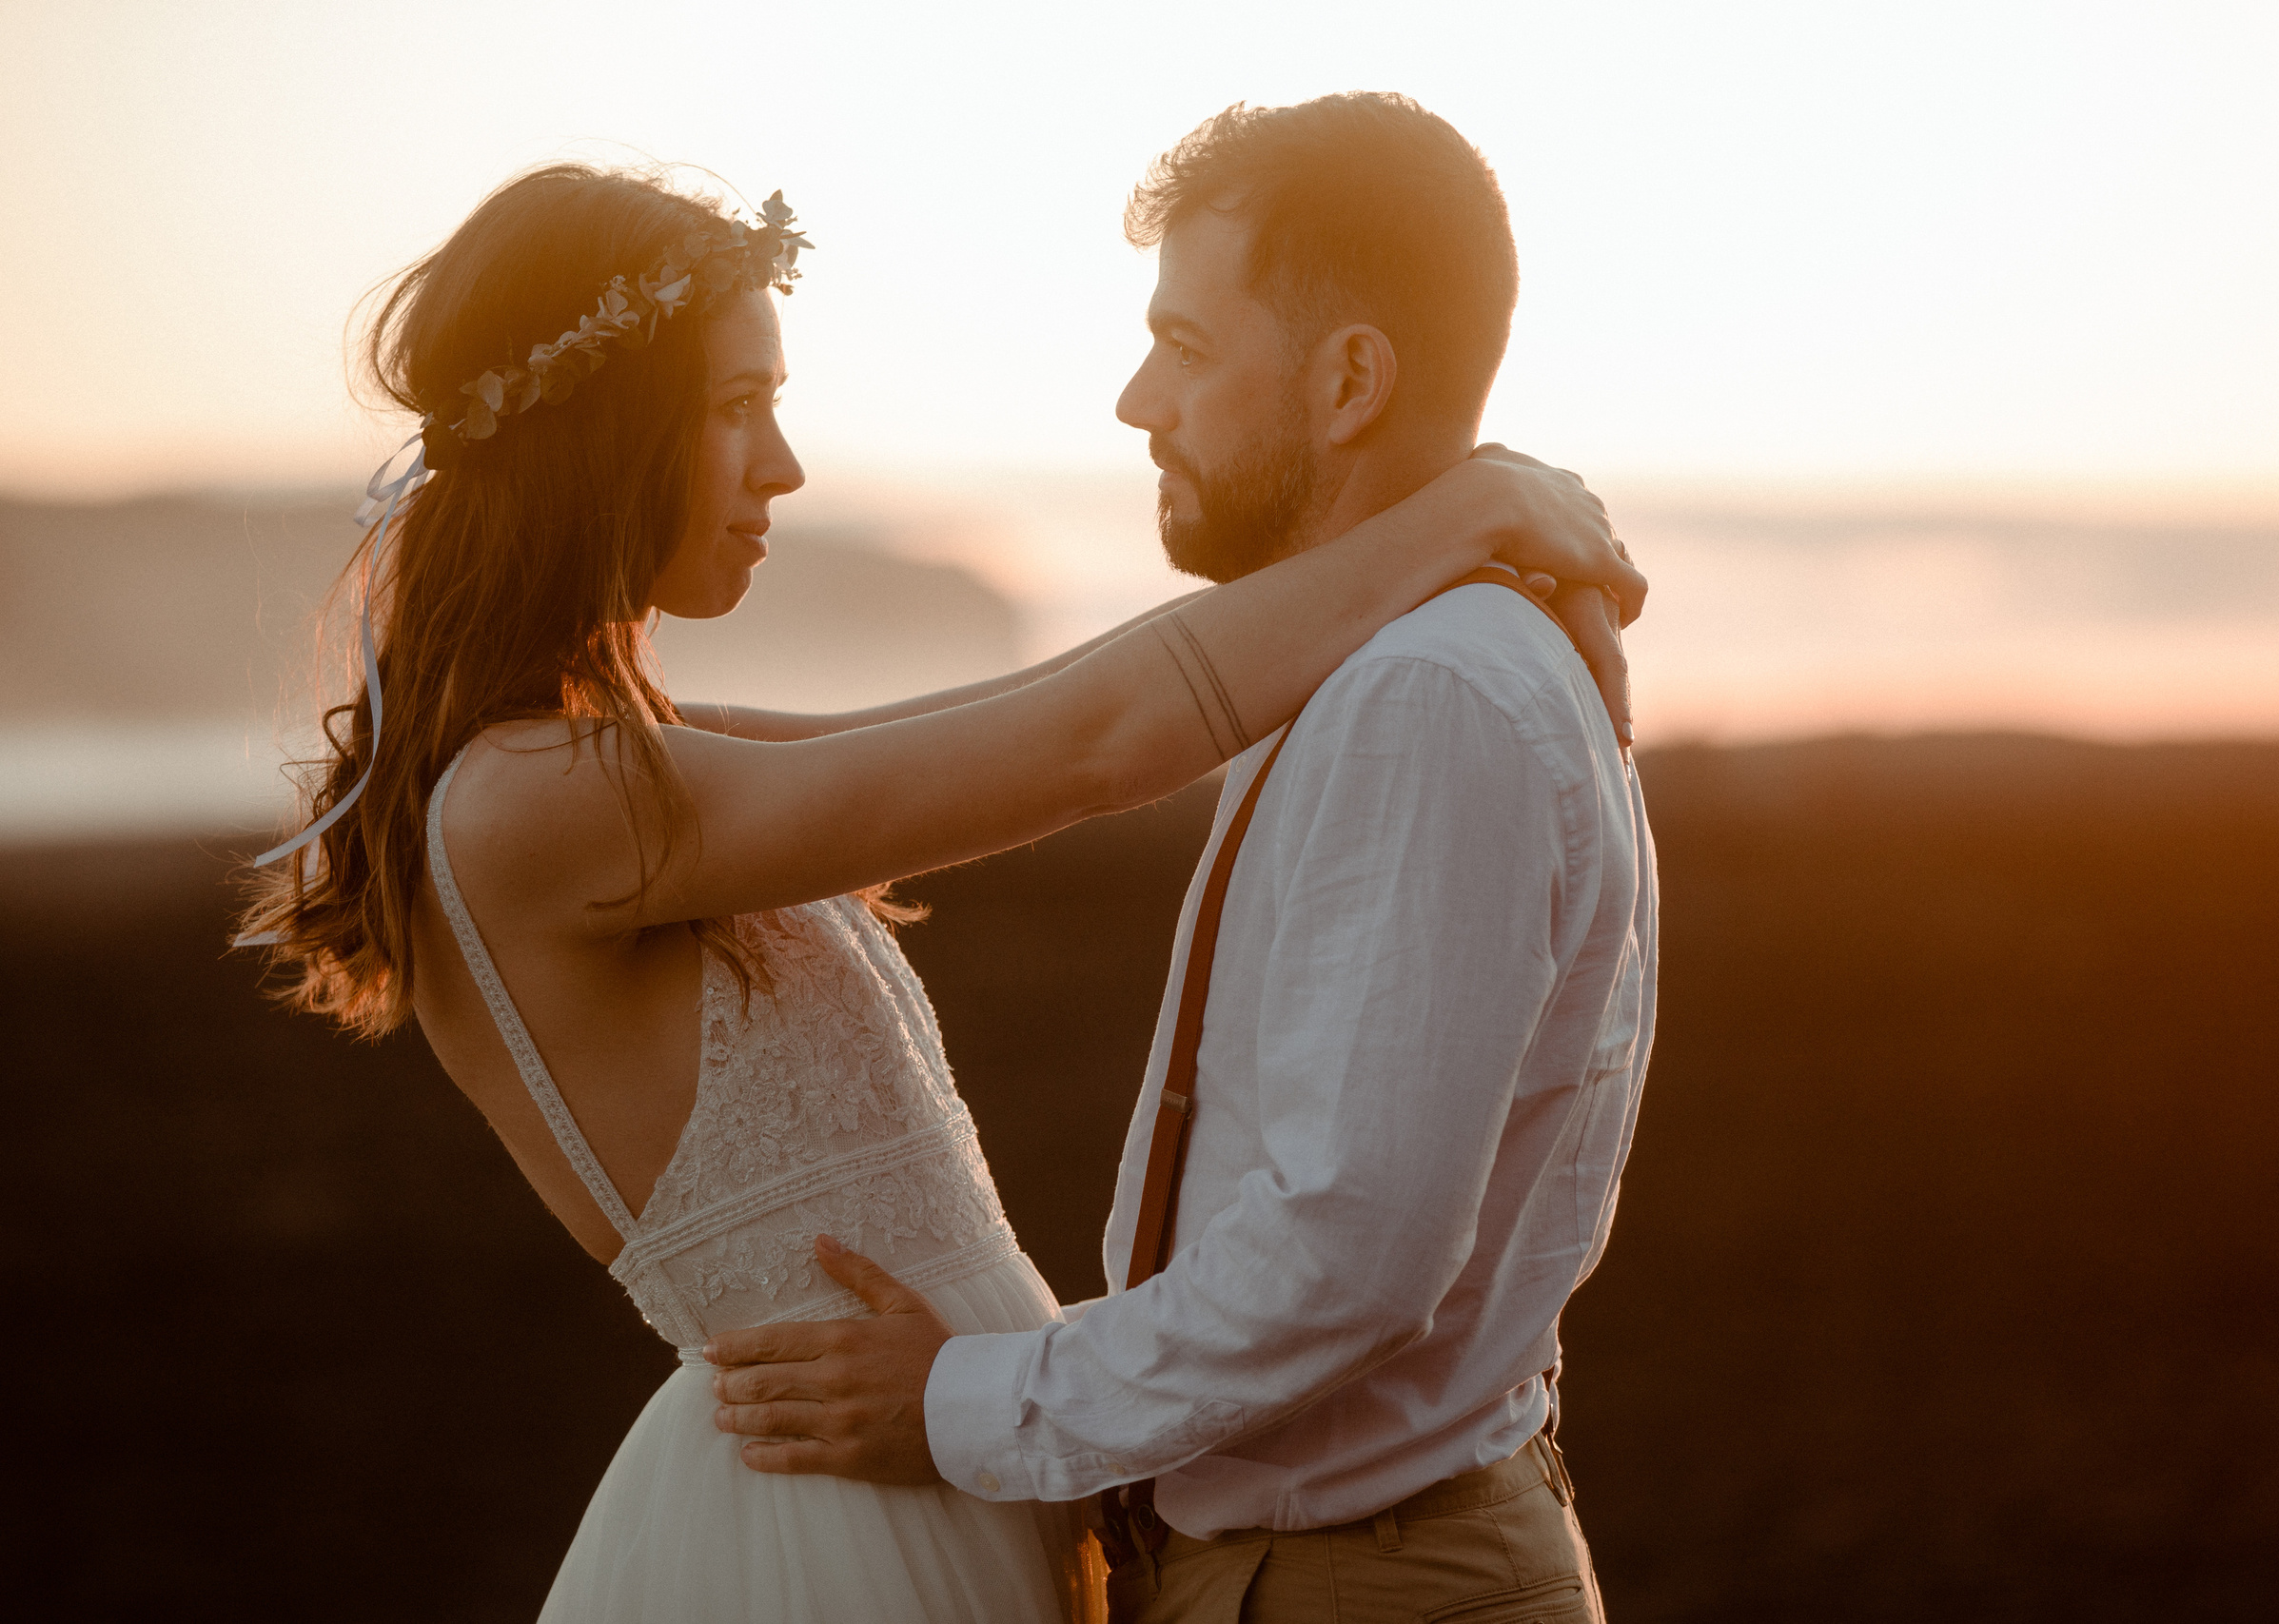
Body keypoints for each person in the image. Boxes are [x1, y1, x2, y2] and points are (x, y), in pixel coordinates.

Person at [236, 160, 1641, 1624]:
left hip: (948, 1469)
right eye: (736, 408)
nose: (781, 464)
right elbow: (1090, 741)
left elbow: (1027, 715)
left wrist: (1459, 534)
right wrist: (1465, 511)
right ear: (603, 433)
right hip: (840, 1533)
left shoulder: (627, 771)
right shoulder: (534, 805)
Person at [703, 94, 1660, 1622]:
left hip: (1360, 1590)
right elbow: (1036, 718)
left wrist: (963, 1402)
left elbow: (1350, 1251)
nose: (1141, 400)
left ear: (1350, 380)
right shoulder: (1373, 662)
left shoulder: (1423, 694)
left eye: (1189, 348)